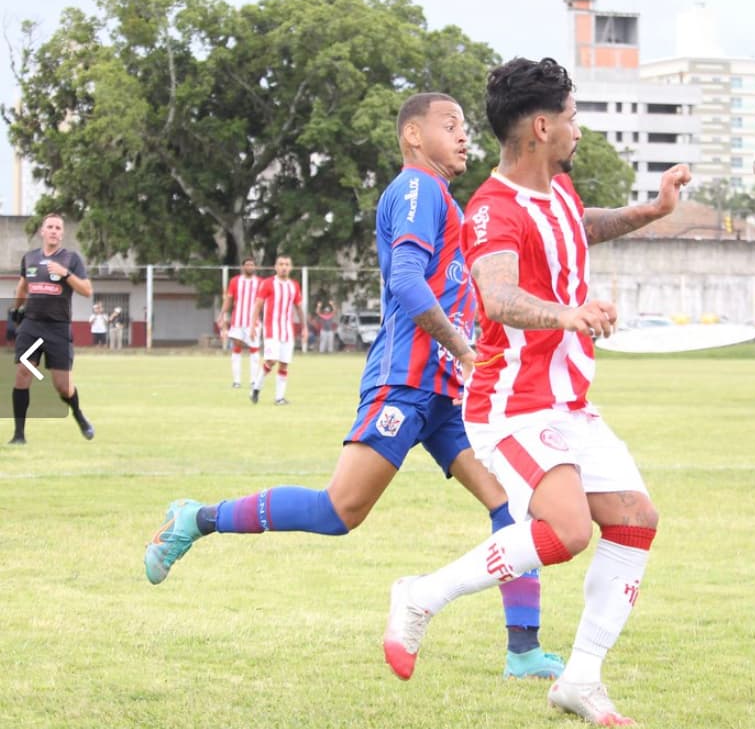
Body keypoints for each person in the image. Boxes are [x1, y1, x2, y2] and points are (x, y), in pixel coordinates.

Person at [144, 92, 564, 680]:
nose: (464, 135)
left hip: (443, 392)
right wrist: (466, 350)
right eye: (451, 125)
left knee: (511, 508)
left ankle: (523, 651)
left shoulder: (442, 197)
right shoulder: (416, 189)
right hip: (406, 381)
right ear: (414, 137)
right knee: (338, 511)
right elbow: (407, 282)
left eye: (466, 126)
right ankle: (196, 518)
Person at [381, 58, 692, 727]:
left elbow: (584, 225)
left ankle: (580, 678)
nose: (578, 129)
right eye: (574, 117)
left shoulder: (557, 192)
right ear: (543, 126)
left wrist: (654, 209)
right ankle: (420, 595)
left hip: (569, 401)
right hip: (510, 402)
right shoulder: (492, 208)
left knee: (636, 517)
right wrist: (567, 314)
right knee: (570, 527)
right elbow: (495, 294)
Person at [9, 213, 96, 444]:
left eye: (58, 227)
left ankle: (79, 415)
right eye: (50, 227)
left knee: (63, 386)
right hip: (32, 326)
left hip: (58, 328)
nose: (54, 231)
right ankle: (19, 435)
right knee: (23, 374)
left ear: (62, 233)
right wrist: (15, 312)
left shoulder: (71, 259)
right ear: (42, 231)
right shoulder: (30, 259)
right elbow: (22, 287)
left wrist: (65, 274)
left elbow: (87, 290)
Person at [249, 255, 307, 405]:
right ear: (275, 267)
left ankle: (279, 398)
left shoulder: (294, 285)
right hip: (271, 329)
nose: (284, 267)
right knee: (271, 360)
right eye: (281, 264)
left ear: (291, 267)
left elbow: (299, 308)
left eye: (287, 264)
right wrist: (252, 325)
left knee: (284, 364)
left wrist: (304, 327)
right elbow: (258, 305)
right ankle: (256, 387)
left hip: (287, 330)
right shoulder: (268, 283)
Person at [219, 258, 262, 389]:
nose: (249, 266)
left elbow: (263, 302)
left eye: (252, 265)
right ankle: (237, 381)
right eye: (247, 264)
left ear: (255, 267)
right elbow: (229, 299)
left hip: (253, 323)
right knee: (236, 349)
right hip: (237, 321)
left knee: (254, 351)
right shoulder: (235, 281)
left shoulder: (260, 282)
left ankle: (254, 381)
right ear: (243, 267)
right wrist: (222, 314)